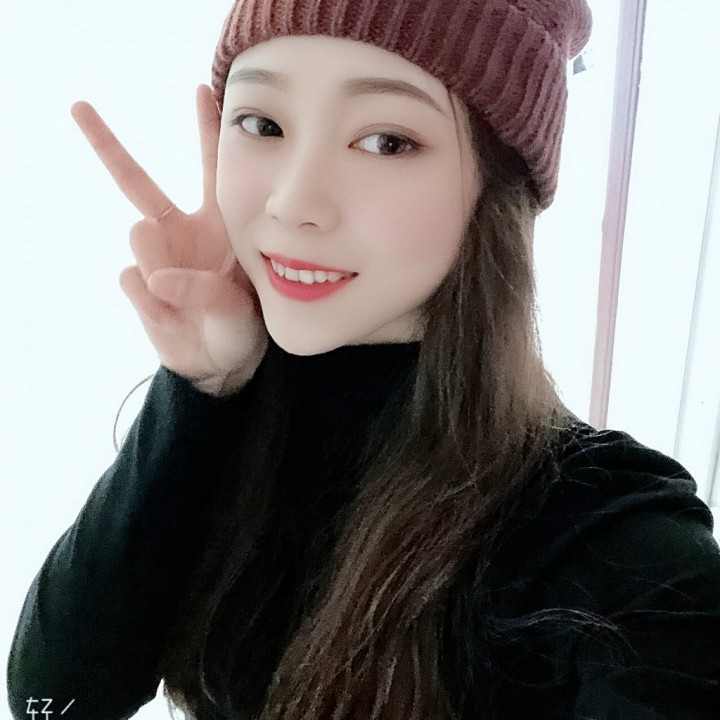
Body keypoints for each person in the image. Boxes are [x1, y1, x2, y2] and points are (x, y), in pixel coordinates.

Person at [7, 0, 720, 718]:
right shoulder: (232, 420)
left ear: (496, 188)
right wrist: (199, 386)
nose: (294, 203)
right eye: (262, 124)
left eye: (386, 141)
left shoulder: (603, 531)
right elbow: (53, 701)